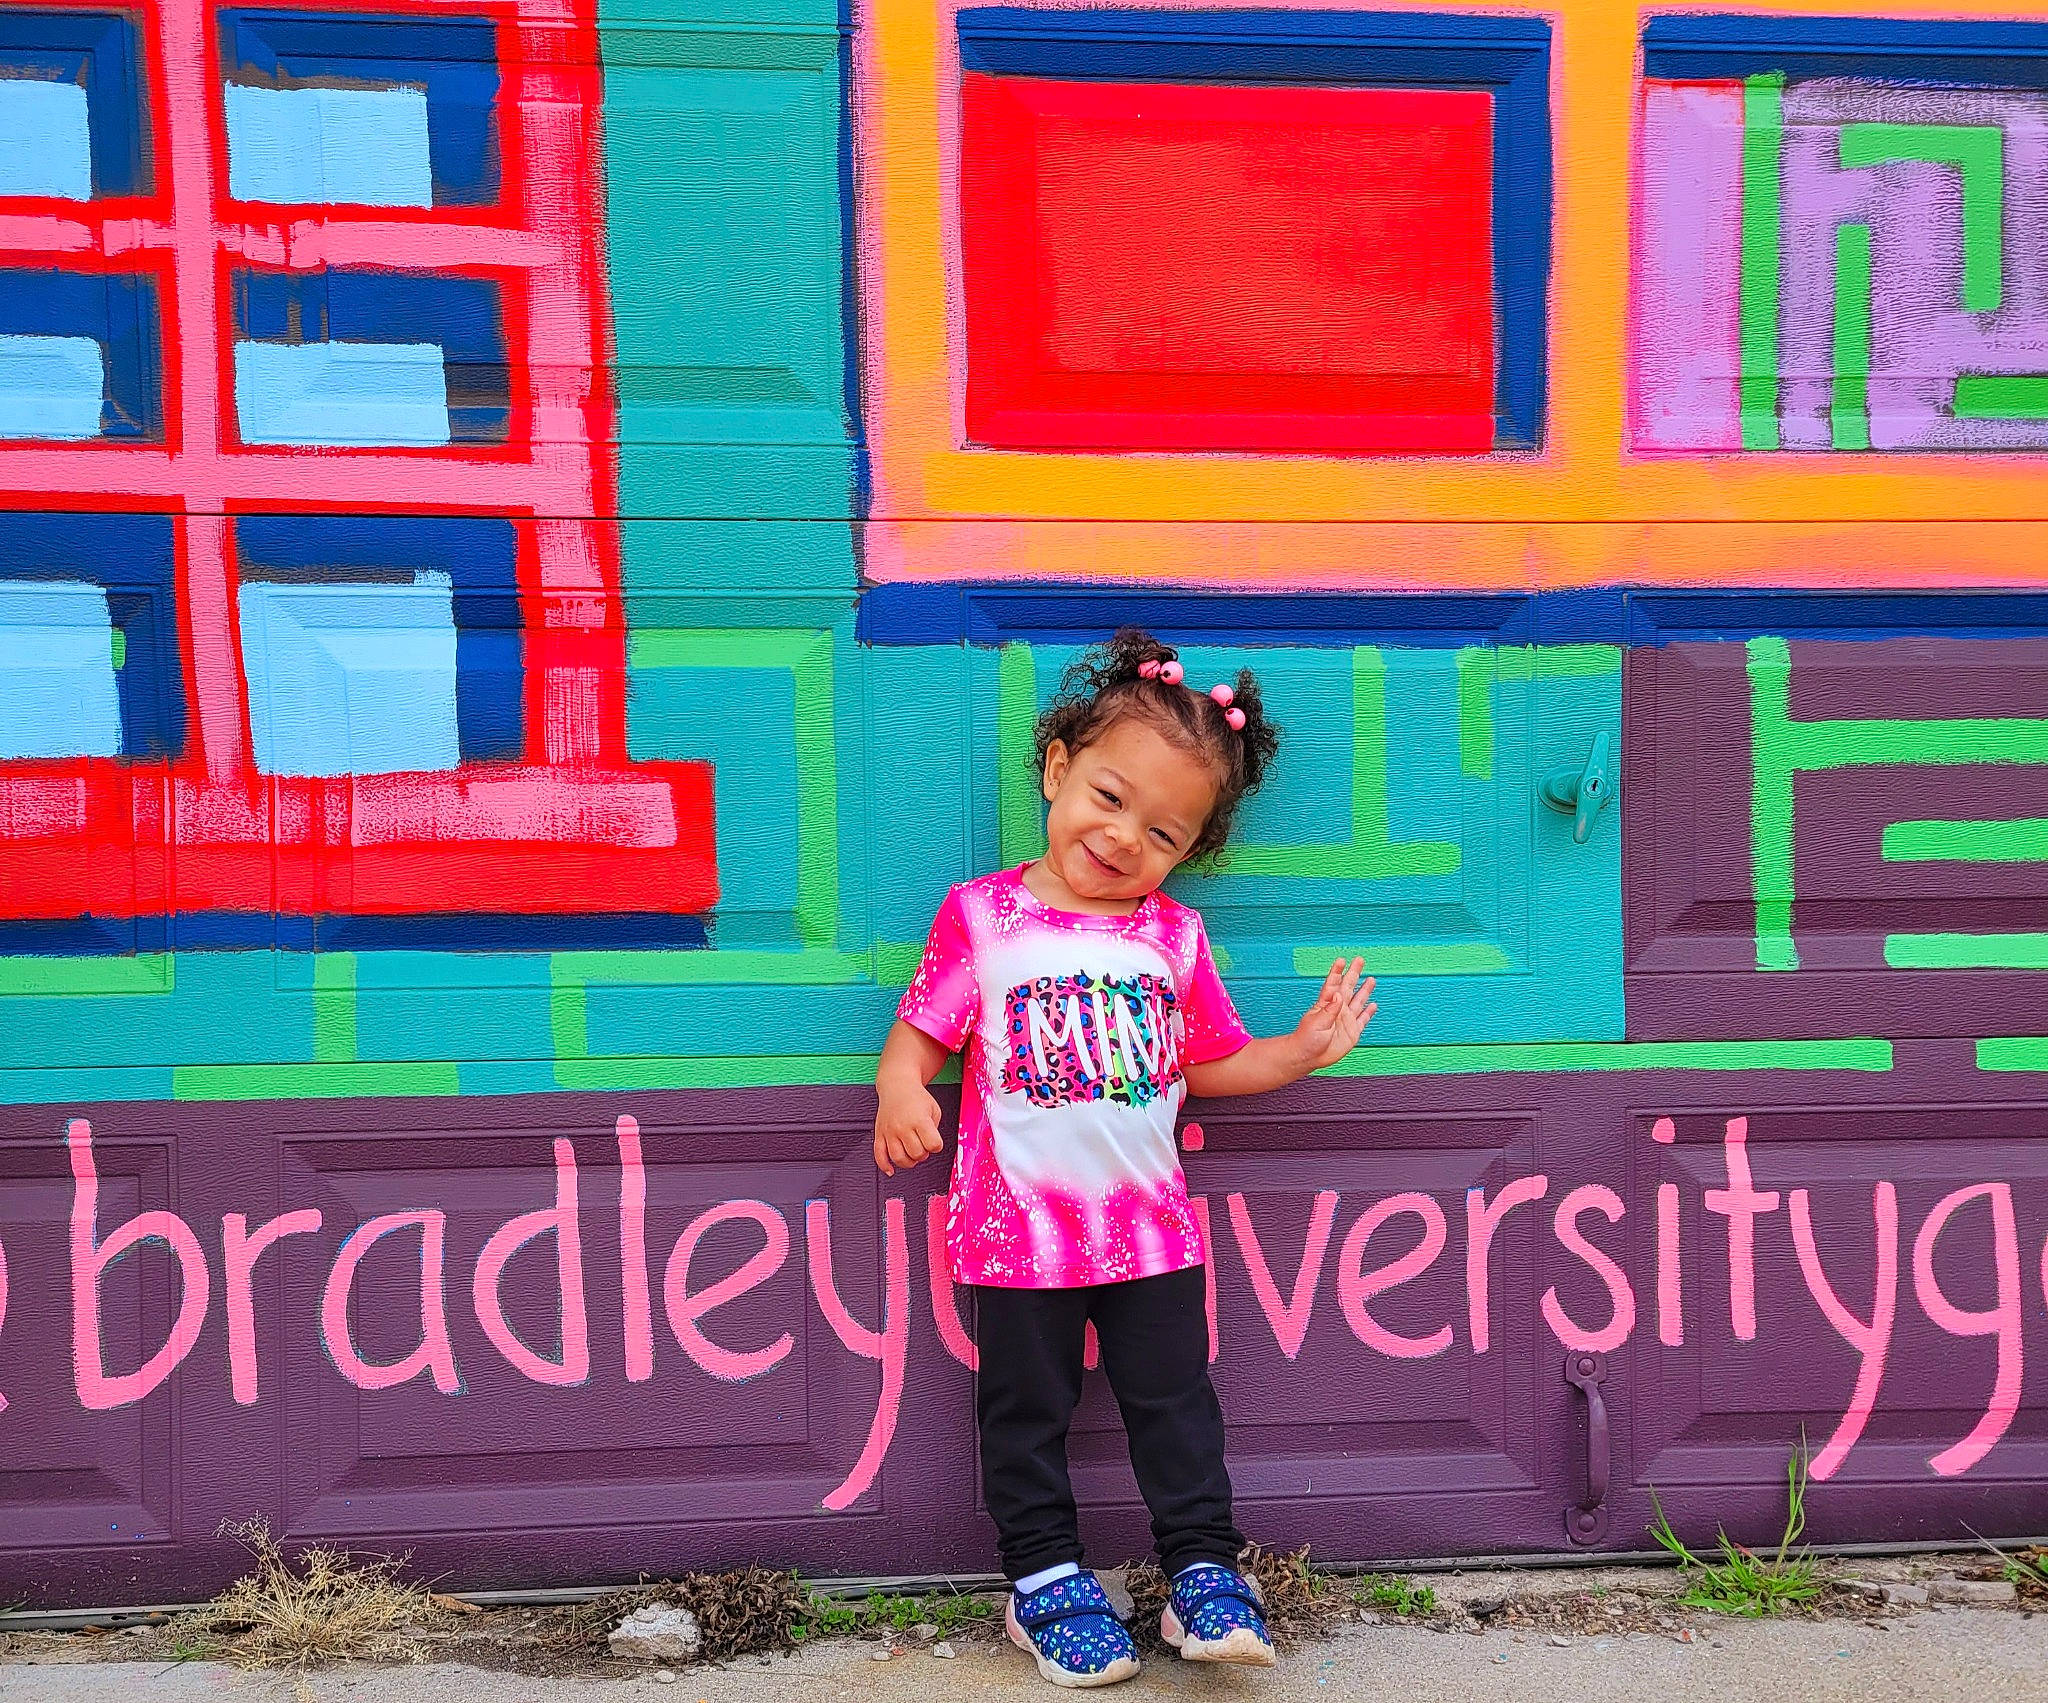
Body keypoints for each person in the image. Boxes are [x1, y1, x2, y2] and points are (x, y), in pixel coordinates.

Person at [873, 628, 1378, 1689]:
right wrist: (898, 1087)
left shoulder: (1172, 940)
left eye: (1161, 830)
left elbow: (1208, 1063)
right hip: (1017, 1237)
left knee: (1174, 1402)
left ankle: (1201, 1570)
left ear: (1187, 849)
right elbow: (924, 1028)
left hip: (1150, 1231)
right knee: (1026, 1412)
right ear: (1056, 770)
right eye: (1107, 797)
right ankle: (1043, 1579)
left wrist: (1295, 1052)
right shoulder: (982, 916)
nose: (1121, 837)